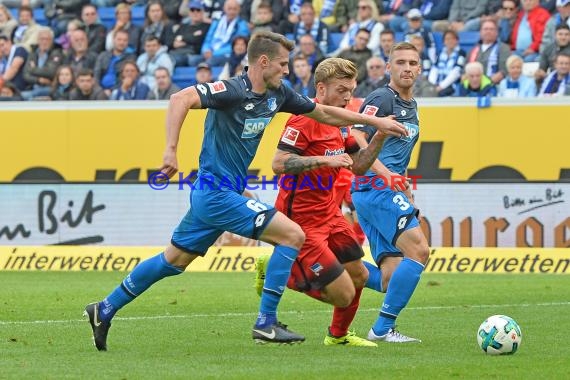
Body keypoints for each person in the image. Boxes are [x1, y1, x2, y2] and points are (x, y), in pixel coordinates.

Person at [83, 31, 407, 351]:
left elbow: (324, 112)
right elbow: (179, 98)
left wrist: (375, 124)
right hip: (215, 193)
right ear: (262, 61)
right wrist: (171, 151)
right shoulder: (232, 90)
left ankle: (105, 308)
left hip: (224, 195)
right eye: (282, 64)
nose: (287, 70)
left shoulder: (278, 94)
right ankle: (266, 323)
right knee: (292, 235)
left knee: (174, 260)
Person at [256, 57, 398, 347]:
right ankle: (277, 270)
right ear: (321, 88)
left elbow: (357, 166)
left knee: (358, 273)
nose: (348, 97)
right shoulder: (303, 119)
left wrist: (380, 137)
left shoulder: (340, 121)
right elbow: (279, 164)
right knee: (343, 294)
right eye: (342, 90)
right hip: (301, 221)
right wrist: (325, 159)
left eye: (351, 90)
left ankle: (338, 336)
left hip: (330, 216)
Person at [350, 41, 429, 343]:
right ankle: (382, 329)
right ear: (389, 67)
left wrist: (404, 185)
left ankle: (333, 266)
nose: (407, 68)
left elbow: (399, 154)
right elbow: (355, 132)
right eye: (400, 62)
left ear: (419, 68)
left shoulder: (412, 105)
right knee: (419, 251)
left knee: (391, 276)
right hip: (375, 187)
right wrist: (386, 175)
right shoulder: (383, 97)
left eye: (412, 62)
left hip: (382, 191)